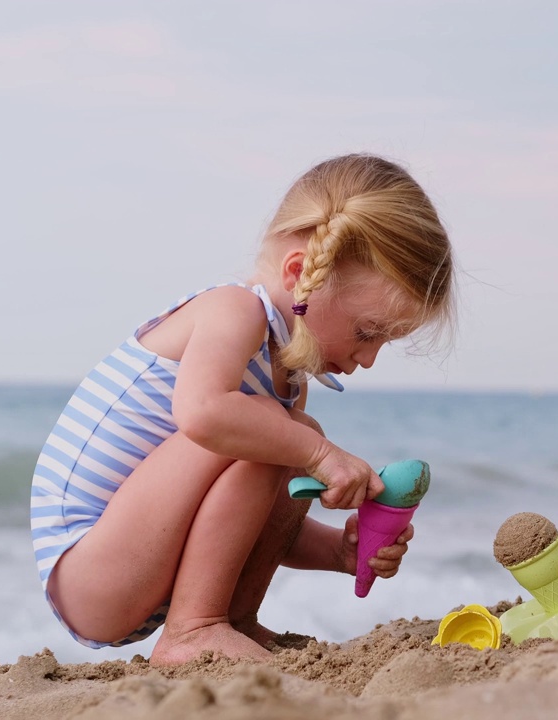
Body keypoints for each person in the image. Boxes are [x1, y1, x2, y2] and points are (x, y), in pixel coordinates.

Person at [29, 154, 455, 665]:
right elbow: (203, 414)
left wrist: (336, 553)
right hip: (89, 571)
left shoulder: (287, 381)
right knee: (282, 432)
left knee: (282, 437)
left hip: (139, 566)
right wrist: (319, 450)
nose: (367, 358)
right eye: (368, 332)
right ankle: (195, 628)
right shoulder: (232, 311)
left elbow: (242, 519)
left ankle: (230, 621)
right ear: (300, 274)